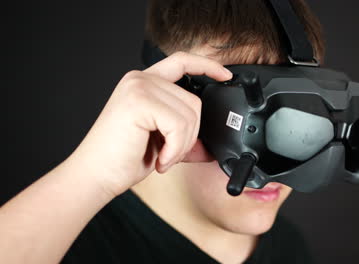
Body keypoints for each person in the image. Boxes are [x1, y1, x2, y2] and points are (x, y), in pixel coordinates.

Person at [0, 0, 325, 263]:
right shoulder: (69, 242)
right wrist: (92, 175)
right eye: (247, 116)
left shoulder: (288, 247)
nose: (283, 163)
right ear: (169, 95)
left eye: (298, 119)